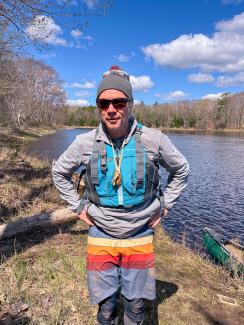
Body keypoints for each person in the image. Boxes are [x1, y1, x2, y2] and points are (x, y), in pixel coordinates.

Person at [52, 66, 189, 325]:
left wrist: (165, 204)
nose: (111, 109)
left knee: (135, 307)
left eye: (119, 101)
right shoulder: (84, 142)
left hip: (139, 232)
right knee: (106, 307)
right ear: (99, 106)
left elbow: (181, 169)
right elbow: (59, 172)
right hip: (101, 232)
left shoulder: (153, 139)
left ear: (130, 104)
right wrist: (78, 207)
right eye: (104, 103)